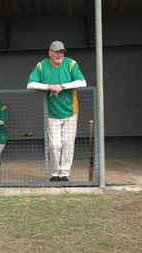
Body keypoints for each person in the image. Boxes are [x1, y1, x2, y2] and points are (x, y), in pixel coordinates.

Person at [26, 41, 87, 182]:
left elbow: (82, 82)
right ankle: (55, 173)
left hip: (71, 110)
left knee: (68, 142)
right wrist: (50, 87)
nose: (60, 54)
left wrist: (63, 86)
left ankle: (64, 173)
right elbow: (30, 84)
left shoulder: (71, 64)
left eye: (62, 52)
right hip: (52, 112)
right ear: (50, 53)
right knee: (54, 145)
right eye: (57, 52)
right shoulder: (42, 65)